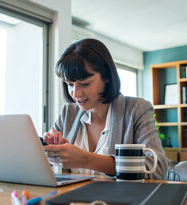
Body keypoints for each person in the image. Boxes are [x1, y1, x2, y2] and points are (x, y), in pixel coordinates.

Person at [43, 38, 168, 179]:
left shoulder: (137, 109)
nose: (76, 94)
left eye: (85, 84)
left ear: (107, 77)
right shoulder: (68, 113)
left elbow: (157, 169)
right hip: (71, 199)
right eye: (70, 84)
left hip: (119, 200)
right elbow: (47, 168)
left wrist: (85, 159)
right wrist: (50, 153)